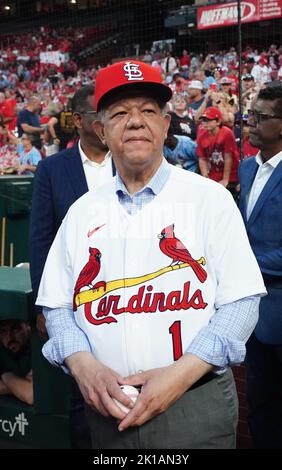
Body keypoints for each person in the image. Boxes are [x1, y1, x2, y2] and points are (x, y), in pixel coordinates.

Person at [36, 60, 266, 449]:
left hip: (194, 404)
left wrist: (179, 375)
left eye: (147, 111)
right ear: (102, 131)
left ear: (164, 124)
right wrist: (83, 365)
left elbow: (241, 304)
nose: (136, 122)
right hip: (107, 408)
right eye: (121, 113)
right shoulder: (82, 211)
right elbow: (56, 307)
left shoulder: (209, 198)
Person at [30, 84, 115, 449]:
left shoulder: (130, 161)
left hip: (128, 296)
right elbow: (40, 240)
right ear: (79, 120)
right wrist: (43, 303)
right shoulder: (51, 169)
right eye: (102, 115)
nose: (109, 123)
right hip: (76, 300)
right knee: (83, 396)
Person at [239, 85, 282, 449]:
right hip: (251, 316)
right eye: (250, 115)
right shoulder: (247, 168)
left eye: (260, 117)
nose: (249, 123)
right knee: (259, 408)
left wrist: (240, 262)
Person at [197, 107, 239, 201]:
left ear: (218, 121)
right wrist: (205, 178)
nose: (204, 123)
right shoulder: (202, 135)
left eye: (208, 120)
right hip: (214, 173)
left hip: (231, 174)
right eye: (203, 120)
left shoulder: (226, 133)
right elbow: (202, 158)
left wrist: (225, 180)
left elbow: (229, 158)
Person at [0, 319, 33, 405]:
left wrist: (5, 376)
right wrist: (19, 386)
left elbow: (30, 394)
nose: (10, 337)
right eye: (3, 331)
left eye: (15, 329)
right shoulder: (2, 350)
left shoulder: (38, 348)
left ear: (28, 328)